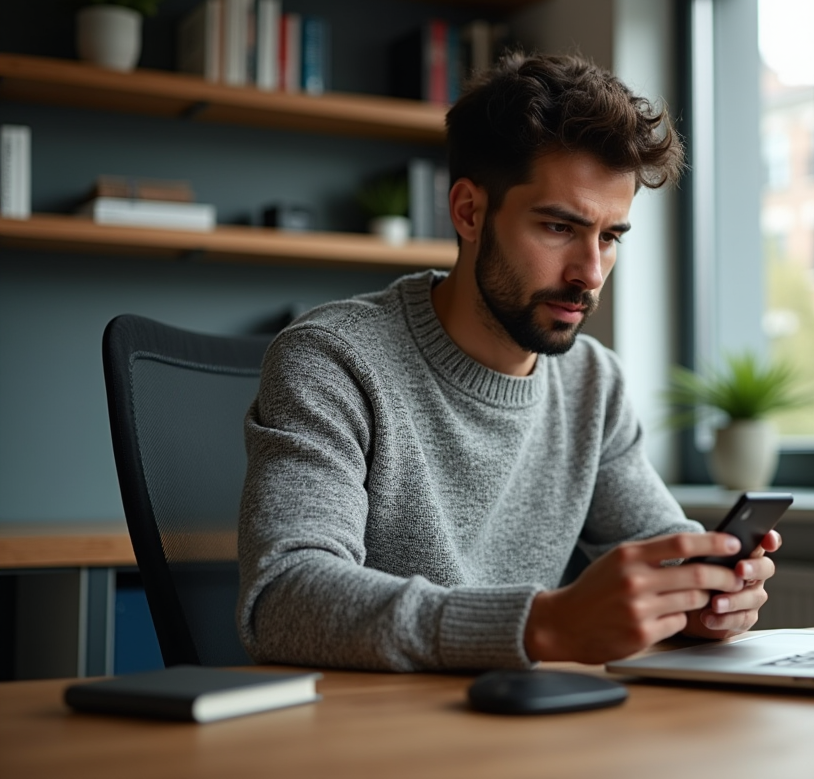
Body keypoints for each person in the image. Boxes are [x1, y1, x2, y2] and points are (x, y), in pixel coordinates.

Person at [236, 53, 782, 672]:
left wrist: (704, 596)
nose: (590, 274)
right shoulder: (333, 359)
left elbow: (656, 548)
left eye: (610, 237)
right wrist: (540, 626)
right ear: (469, 212)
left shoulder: (592, 383)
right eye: (558, 227)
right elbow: (283, 598)